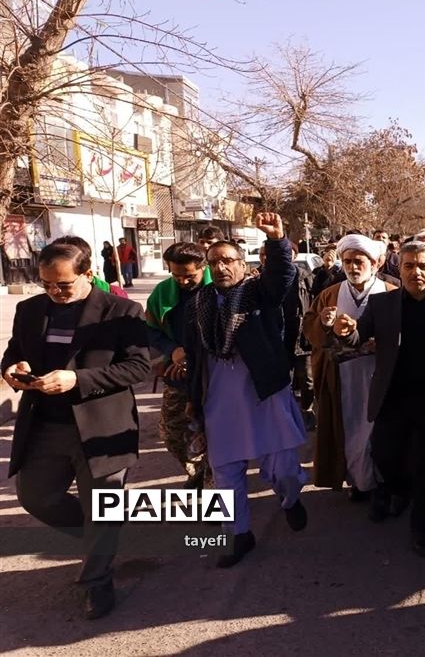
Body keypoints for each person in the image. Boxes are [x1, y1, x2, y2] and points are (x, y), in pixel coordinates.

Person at [2, 239, 150, 619]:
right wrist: (12, 368)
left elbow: (138, 367)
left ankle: (96, 583)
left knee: (102, 507)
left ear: (88, 274)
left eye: (64, 285)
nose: (55, 292)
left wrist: (78, 379)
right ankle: (104, 534)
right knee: (36, 496)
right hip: (45, 424)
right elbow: (15, 350)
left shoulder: (122, 310)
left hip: (102, 427)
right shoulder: (29, 309)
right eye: (47, 284)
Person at [331, 241, 425, 556]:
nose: (415, 272)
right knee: (385, 456)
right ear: (400, 269)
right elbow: (358, 336)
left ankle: (422, 526)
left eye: (423, 266)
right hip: (393, 397)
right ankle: (402, 490)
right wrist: (345, 330)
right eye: (409, 266)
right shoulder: (382, 303)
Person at [184, 213, 309, 569]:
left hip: (264, 394)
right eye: (214, 262)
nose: (221, 267)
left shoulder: (259, 293)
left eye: (228, 260)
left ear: (242, 264)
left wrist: (277, 239)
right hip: (219, 401)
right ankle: (238, 535)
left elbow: (282, 275)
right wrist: (193, 400)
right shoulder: (198, 303)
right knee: (225, 474)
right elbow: (194, 355)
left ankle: (290, 499)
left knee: (284, 470)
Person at [303, 234, 396, 500]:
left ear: (374, 264)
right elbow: (310, 330)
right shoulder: (330, 295)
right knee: (350, 428)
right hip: (343, 377)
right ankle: (359, 482)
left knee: (379, 430)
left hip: (381, 375)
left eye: (359, 261)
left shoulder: (391, 292)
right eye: (347, 262)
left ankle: (381, 482)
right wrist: (323, 322)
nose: (353, 267)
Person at [146, 242, 213, 489]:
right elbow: (150, 330)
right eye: (176, 276)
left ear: (203, 267)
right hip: (178, 375)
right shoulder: (162, 292)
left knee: (217, 436)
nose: (183, 281)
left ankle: (213, 485)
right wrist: (172, 350)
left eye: (189, 276)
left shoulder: (219, 288)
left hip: (214, 376)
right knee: (172, 434)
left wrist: (194, 358)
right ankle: (197, 470)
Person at [259, 243, 315, 422]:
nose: (266, 258)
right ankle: (285, 413)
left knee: (307, 377)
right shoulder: (258, 279)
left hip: (301, 334)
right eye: (263, 254)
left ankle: (307, 410)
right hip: (277, 335)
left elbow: (315, 302)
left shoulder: (305, 276)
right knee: (283, 378)